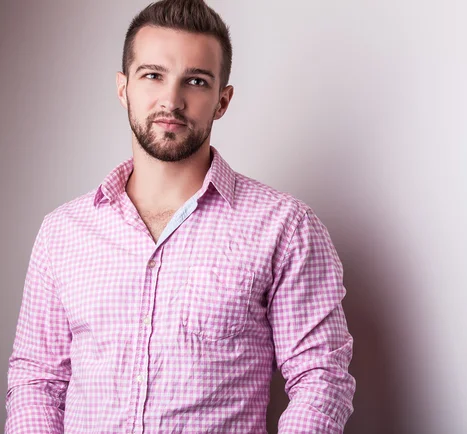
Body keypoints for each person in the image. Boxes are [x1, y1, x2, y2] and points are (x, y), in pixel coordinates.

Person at [5, 0, 355, 432]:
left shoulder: (285, 227)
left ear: (222, 100)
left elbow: (322, 377)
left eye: (195, 80)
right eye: (153, 75)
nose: (171, 100)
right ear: (123, 88)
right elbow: (37, 380)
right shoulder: (63, 232)